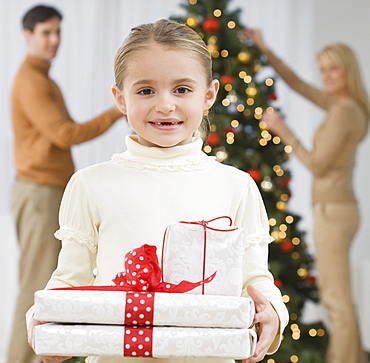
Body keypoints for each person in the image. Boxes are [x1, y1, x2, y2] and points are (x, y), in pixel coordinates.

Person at [27, 19, 289, 363]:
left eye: (182, 89)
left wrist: (272, 313)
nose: (165, 105)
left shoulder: (237, 186)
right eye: (146, 90)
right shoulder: (90, 184)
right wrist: (45, 323)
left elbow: (255, 279)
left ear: (208, 95)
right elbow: (69, 280)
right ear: (120, 98)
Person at [245, 29, 370, 363]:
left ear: (348, 71)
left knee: (336, 301)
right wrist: (265, 49)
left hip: (334, 212)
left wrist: (283, 130)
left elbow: (317, 163)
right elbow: (298, 84)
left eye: (334, 69)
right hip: (339, 209)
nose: (326, 76)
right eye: (323, 69)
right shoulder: (345, 105)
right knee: (340, 299)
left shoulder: (345, 112)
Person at [8, 5, 123, 363]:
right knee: (36, 291)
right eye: (46, 32)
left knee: (51, 288)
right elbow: (64, 134)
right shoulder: (31, 81)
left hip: (48, 192)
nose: (54, 40)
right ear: (28, 36)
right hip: (39, 194)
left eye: (58, 32)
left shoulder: (43, 79)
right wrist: (118, 109)